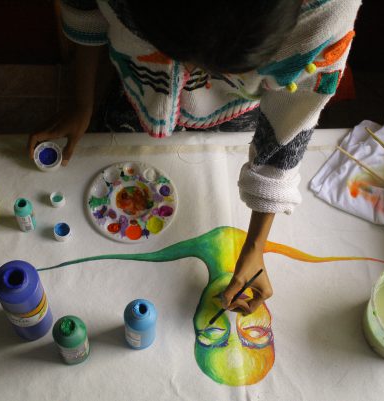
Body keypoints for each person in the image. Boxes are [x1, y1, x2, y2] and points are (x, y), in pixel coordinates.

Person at [28, 0, 361, 314]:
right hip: (140, 85)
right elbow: (85, 11)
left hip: (235, 105)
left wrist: (255, 245)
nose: (192, 71)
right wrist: (81, 103)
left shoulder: (327, 11)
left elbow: (292, 118)